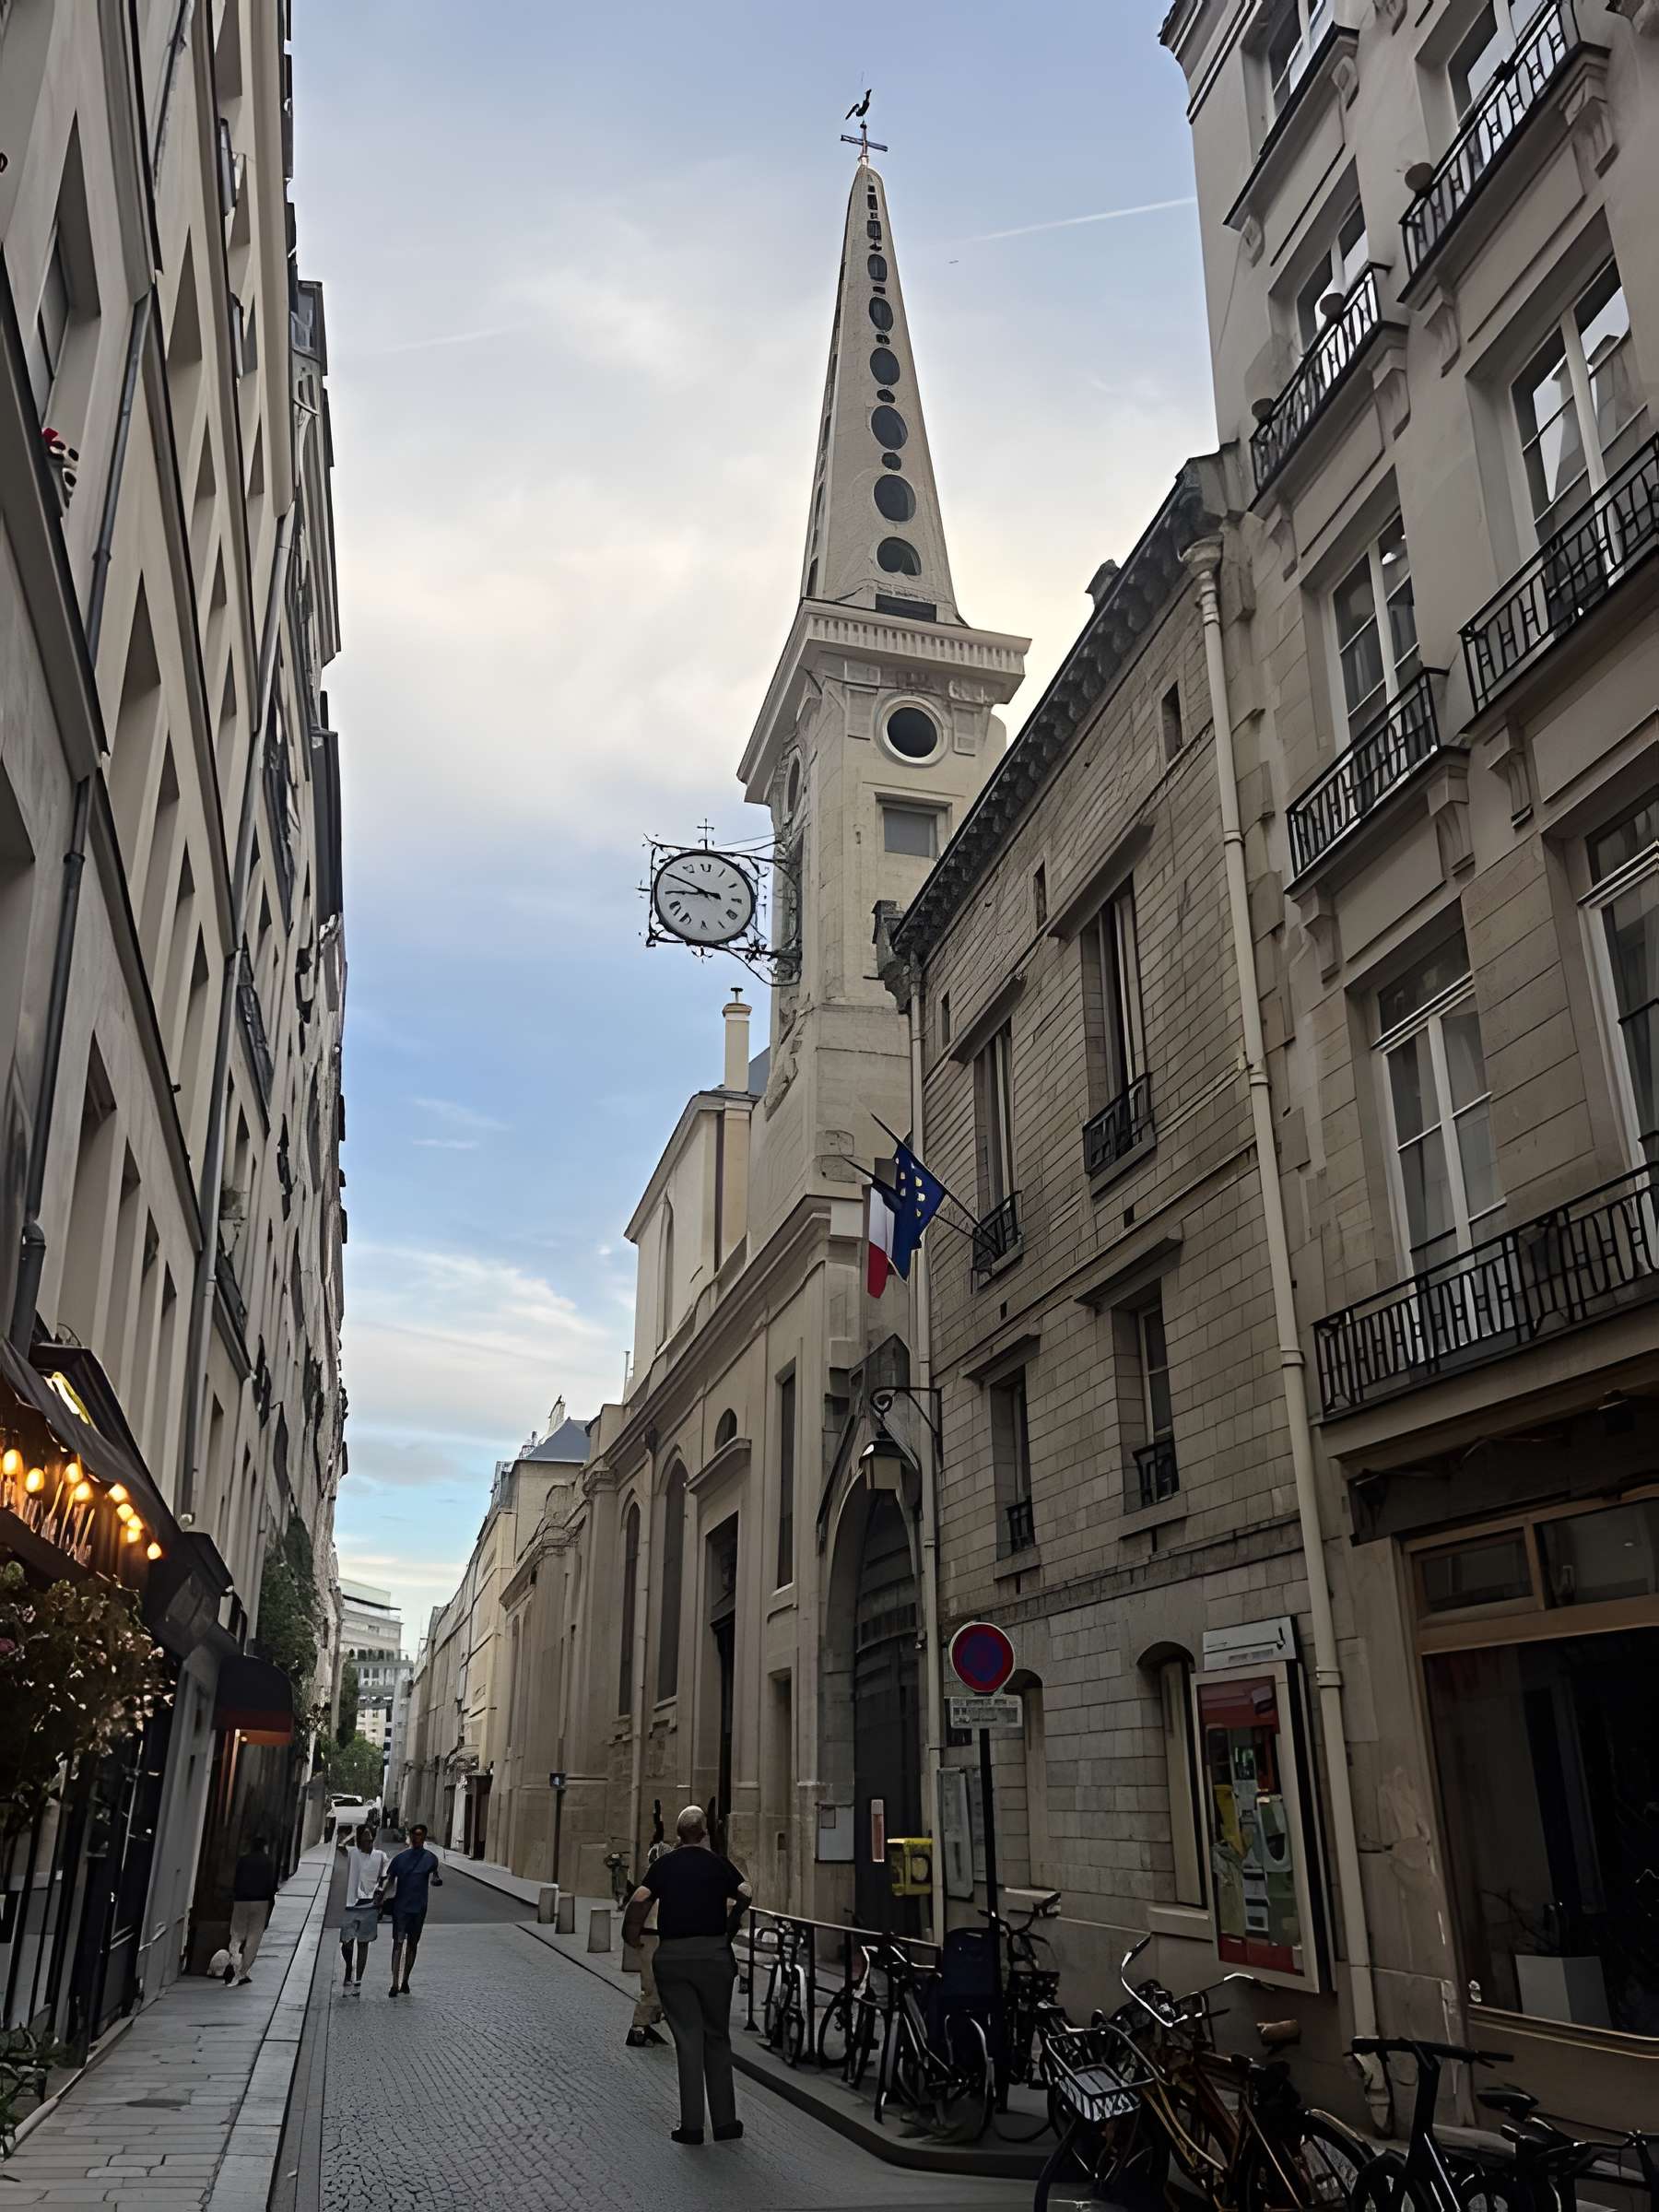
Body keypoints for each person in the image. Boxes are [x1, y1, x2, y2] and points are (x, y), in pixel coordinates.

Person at [622, 1804, 750, 2146]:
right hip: (713, 1955)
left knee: (688, 2039)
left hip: (675, 1957)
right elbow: (746, 1891)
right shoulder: (718, 1864)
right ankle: (725, 2123)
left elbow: (640, 1897)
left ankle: (692, 2126)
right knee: (717, 2037)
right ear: (705, 1832)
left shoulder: (665, 1865)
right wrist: (732, 1921)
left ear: (678, 1835)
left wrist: (631, 1934)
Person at [381, 1823, 443, 1996]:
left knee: (413, 1944)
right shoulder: (400, 1859)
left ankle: (405, 1980)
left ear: (424, 1837)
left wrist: (435, 1880)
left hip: (419, 1907)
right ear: (410, 1836)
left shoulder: (431, 1859)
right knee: (398, 1943)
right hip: (401, 1907)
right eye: (415, 1834)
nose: (417, 1838)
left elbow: (435, 1875)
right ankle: (394, 1983)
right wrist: (381, 1897)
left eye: (421, 1835)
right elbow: (390, 1880)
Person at [625, 1835, 668, 2048]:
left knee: (658, 1983)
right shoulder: (654, 1888)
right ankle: (639, 2027)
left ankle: (653, 2021)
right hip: (652, 1936)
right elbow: (636, 1910)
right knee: (652, 1985)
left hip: (657, 1936)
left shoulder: (656, 1885)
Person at [339, 1822, 388, 1992]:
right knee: (346, 1942)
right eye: (365, 1839)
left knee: (363, 1943)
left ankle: (358, 1979)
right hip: (351, 1903)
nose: (369, 1843)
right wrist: (353, 1835)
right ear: (359, 1840)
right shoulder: (352, 1854)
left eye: (371, 1839)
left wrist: (380, 1896)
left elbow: (385, 1877)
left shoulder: (380, 1856)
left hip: (369, 1905)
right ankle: (348, 1968)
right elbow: (340, 1845)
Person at [226, 1837, 277, 1985]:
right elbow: (270, 1884)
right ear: (264, 1847)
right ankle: (243, 1972)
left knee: (236, 1933)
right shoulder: (268, 1862)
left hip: (241, 1900)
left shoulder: (243, 1860)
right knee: (253, 1938)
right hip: (261, 1902)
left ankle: (233, 1960)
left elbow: (236, 1880)